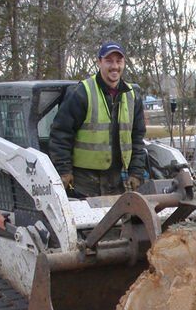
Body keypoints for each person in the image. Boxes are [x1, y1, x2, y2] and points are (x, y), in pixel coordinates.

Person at [49, 41, 147, 197]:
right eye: (109, 61)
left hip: (116, 181)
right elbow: (61, 134)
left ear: (124, 63)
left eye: (119, 61)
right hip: (84, 182)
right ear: (99, 62)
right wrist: (64, 170)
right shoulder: (82, 93)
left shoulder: (132, 96)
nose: (114, 66)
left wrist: (136, 172)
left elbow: (137, 138)